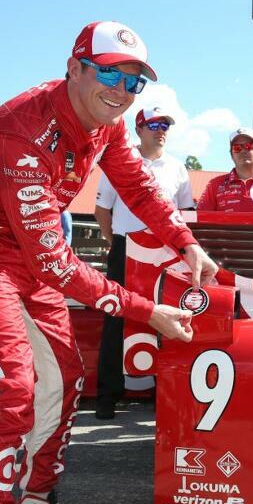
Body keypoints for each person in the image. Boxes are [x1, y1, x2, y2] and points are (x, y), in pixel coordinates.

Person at [0, 21, 217, 504]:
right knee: (12, 385)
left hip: (30, 254)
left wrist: (186, 243)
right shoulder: (18, 132)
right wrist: (149, 312)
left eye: (133, 80)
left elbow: (139, 190)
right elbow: (60, 267)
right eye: (109, 71)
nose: (120, 88)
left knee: (65, 378)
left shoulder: (108, 122)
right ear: (75, 67)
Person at [93, 106, 193, 420]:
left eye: (165, 125)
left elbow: (186, 212)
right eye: (153, 124)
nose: (161, 130)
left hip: (166, 251)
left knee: (170, 321)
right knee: (116, 319)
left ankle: (166, 393)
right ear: (139, 129)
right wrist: (114, 242)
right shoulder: (121, 161)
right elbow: (101, 211)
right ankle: (107, 396)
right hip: (126, 247)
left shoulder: (177, 167)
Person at [197, 127, 253, 212]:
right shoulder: (215, 185)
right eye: (237, 148)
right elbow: (199, 219)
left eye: (248, 146)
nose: (243, 151)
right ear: (231, 155)